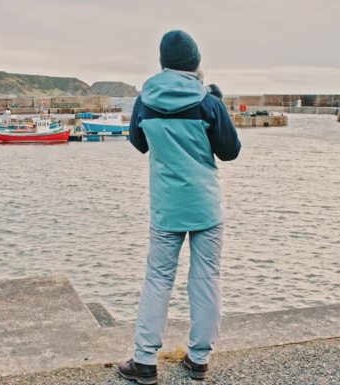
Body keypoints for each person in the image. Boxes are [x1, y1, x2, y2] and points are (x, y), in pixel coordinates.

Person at [118, 30, 241, 384]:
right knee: (205, 280)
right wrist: (218, 103)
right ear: (195, 63)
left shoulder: (145, 101)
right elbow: (230, 151)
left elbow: (138, 142)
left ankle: (144, 361)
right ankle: (198, 360)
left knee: (157, 279)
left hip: (166, 208)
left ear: (163, 63)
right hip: (205, 206)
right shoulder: (208, 102)